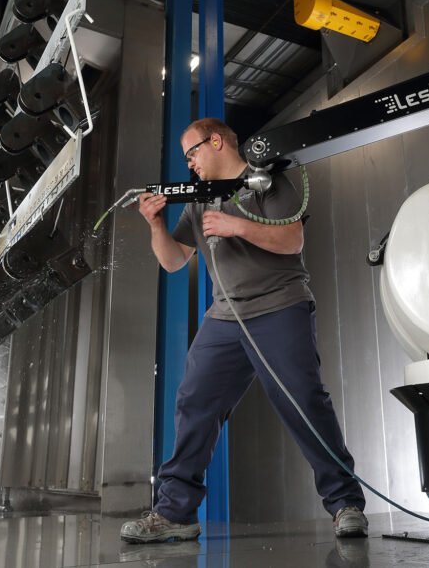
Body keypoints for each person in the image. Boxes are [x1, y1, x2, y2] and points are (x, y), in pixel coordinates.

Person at [121, 118, 367, 543]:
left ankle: (345, 504)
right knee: (195, 401)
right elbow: (174, 261)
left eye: (192, 152)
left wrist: (237, 225)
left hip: (279, 306)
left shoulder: (266, 181)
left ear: (216, 141)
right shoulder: (199, 201)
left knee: (303, 402)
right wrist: (156, 225)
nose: (190, 163)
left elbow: (292, 241)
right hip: (225, 317)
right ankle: (176, 513)